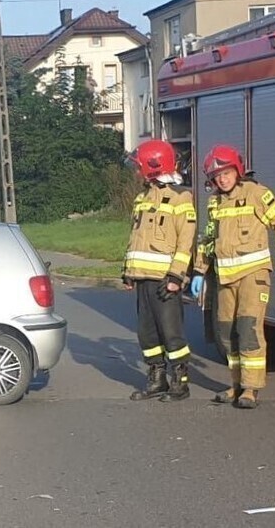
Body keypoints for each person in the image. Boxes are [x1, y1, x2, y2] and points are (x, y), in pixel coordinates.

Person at [190, 144, 275, 410]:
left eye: (226, 173)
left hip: (253, 274)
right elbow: (209, 239)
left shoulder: (257, 194)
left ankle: (251, 388)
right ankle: (235, 383)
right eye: (216, 176)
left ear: (237, 170)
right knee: (226, 333)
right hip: (225, 277)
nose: (222, 179)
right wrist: (199, 271)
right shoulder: (214, 202)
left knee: (248, 330)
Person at [122, 139, 197, 402]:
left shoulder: (181, 198)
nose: (136, 171)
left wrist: (177, 276)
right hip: (143, 279)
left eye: (139, 166)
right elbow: (136, 237)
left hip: (166, 281)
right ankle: (157, 379)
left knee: (171, 332)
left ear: (152, 166)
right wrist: (129, 271)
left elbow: (185, 241)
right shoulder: (141, 199)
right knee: (148, 334)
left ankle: (180, 382)